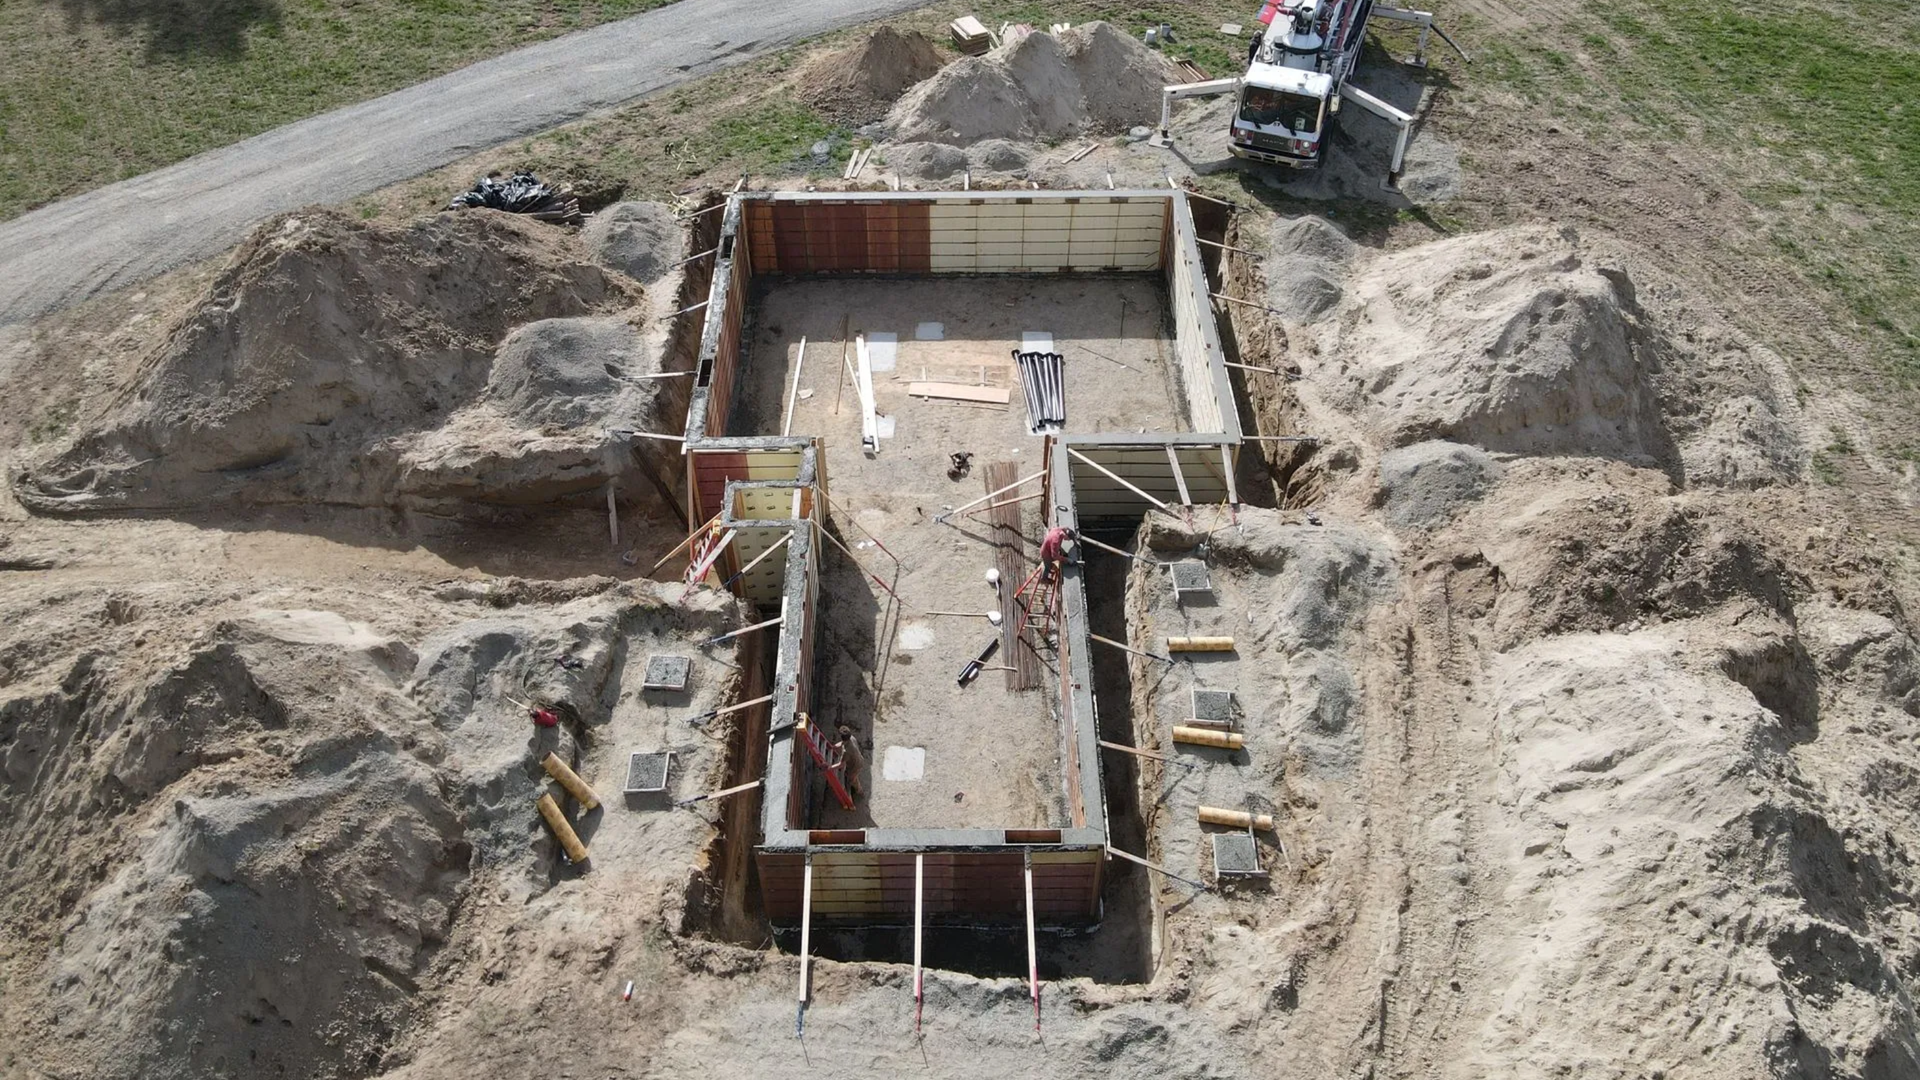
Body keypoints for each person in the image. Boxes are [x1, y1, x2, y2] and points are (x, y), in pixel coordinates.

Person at [835, 723, 867, 801]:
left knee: (852, 780)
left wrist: (829, 768)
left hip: (856, 766)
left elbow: (841, 765)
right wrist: (834, 747)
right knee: (850, 776)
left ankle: (860, 792)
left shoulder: (847, 751)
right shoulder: (851, 738)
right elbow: (842, 743)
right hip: (859, 759)